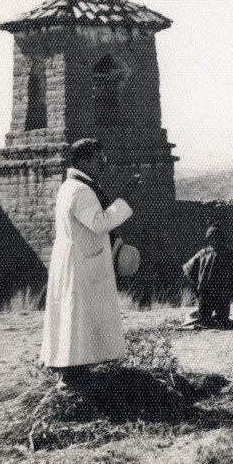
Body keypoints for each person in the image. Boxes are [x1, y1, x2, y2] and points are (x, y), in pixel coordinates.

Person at [41, 138, 138, 387]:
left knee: (78, 315)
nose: (103, 164)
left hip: (80, 260)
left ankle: (76, 368)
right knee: (78, 314)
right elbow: (99, 223)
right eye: (99, 160)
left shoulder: (74, 186)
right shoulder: (80, 191)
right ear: (83, 162)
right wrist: (124, 199)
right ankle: (73, 372)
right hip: (80, 264)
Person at [183, 224, 233, 328]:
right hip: (206, 295)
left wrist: (232, 290)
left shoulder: (230, 254)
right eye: (211, 238)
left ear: (221, 238)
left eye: (217, 237)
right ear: (208, 239)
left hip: (222, 296)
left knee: (223, 322)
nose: (214, 240)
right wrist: (196, 288)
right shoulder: (203, 253)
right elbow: (187, 268)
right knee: (204, 322)